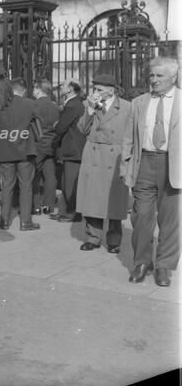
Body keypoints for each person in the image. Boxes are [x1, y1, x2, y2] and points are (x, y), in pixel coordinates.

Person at [121, 57, 181, 286]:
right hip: (143, 163)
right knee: (141, 217)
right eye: (152, 75)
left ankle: (164, 266)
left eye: (160, 76)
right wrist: (125, 168)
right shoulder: (139, 102)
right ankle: (142, 262)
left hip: (173, 165)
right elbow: (128, 138)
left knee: (170, 221)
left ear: (173, 77)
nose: (154, 80)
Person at [76, 75, 130, 253]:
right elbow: (82, 130)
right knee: (92, 199)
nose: (95, 93)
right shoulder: (89, 105)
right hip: (94, 155)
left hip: (115, 157)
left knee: (114, 200)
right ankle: (93, 237)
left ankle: (114, 241)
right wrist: (90, 111)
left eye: (99, 89)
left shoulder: (127, 107)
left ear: (111, 90)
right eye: (95, 89)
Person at [0, 77, 41, 231]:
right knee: (26, 186)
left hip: (5, 150)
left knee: (6, 186)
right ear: (23, 90)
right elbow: (39, 123)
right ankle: (26, 222)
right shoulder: (30, 104)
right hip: (26, 150)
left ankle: (4, 220)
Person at [50, 80, 86, 223]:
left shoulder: (72, 105)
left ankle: (73, 212)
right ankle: (65, 211)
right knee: (67, 181)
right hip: (73, 148)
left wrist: (57, 125)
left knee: (70, 183)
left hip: (73, 148)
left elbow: (60, 127)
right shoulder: (75, 102)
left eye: (64, 85)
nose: (61, 88)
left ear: (71, 88)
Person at [31, 79, 60, 215]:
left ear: (37, 89)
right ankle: (48, 205)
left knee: (34, 175)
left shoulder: (33, 105)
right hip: (51, 143)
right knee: (50, 176)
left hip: (37, 143)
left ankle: (35, 206)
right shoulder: (55, 106)